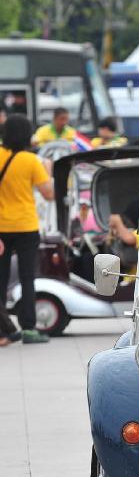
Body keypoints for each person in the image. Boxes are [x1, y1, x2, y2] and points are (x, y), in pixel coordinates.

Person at [0, 115, 54, 343]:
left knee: (0, 280)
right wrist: (48, 170)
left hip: (1, 227)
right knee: (27, 277)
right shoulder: (32, 161)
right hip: (26, 225)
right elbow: (48, 194)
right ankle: (30, 329)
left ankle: (3, 329)